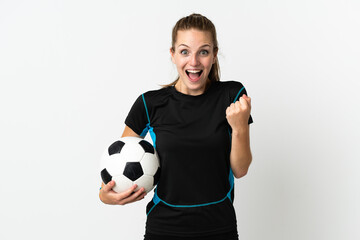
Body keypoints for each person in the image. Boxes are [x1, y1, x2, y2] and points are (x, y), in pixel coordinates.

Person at [99, 13, 253, 240]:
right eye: (184, 52)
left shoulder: (232, 96)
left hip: (219, 228)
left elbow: (240, 170)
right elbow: (118, 165)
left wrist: (239, 127)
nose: (194, 62)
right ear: (172, 55)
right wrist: (105, 196)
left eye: (203, 51)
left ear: (214, 55)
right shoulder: (149, 103)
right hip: (164, 229)